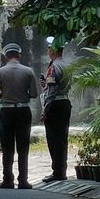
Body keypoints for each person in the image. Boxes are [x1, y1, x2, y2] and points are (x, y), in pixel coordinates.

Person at [0, 43, 39, 190]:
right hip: (23, 111)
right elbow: (34, 94)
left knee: (7, 146)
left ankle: (7, 179)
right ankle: (23, 180)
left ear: (6, 56)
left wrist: (5, 94)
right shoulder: (28, 72)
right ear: (19, 55)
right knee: (23, 146)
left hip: (7, 111)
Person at [41, 38, 72, 183]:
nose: (48, 52)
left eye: (49, 49)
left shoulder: (54, 67)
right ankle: (61, 170)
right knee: (62, 139)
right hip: (65, 102)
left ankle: (57, 171)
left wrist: (45, 110)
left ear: (52, 50)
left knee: (54, 139)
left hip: (55, 104)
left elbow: (52, 91)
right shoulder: (66, 65)